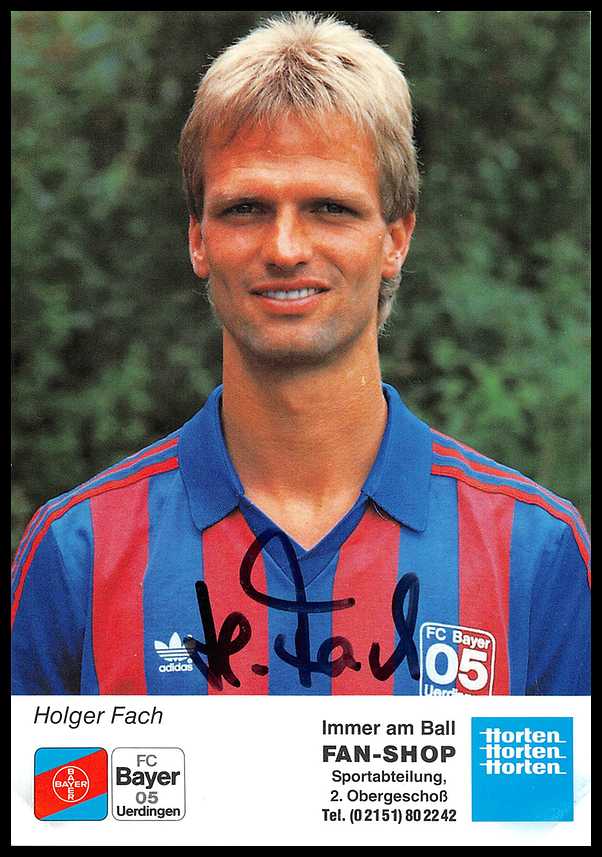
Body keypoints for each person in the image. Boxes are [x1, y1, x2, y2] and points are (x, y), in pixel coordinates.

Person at [11, 12, 590, 696]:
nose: (285, 248)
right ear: (198, 240)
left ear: (396, 239)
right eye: (246, 208)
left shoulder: (534, 551)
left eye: (330, 208)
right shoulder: (78, 551)